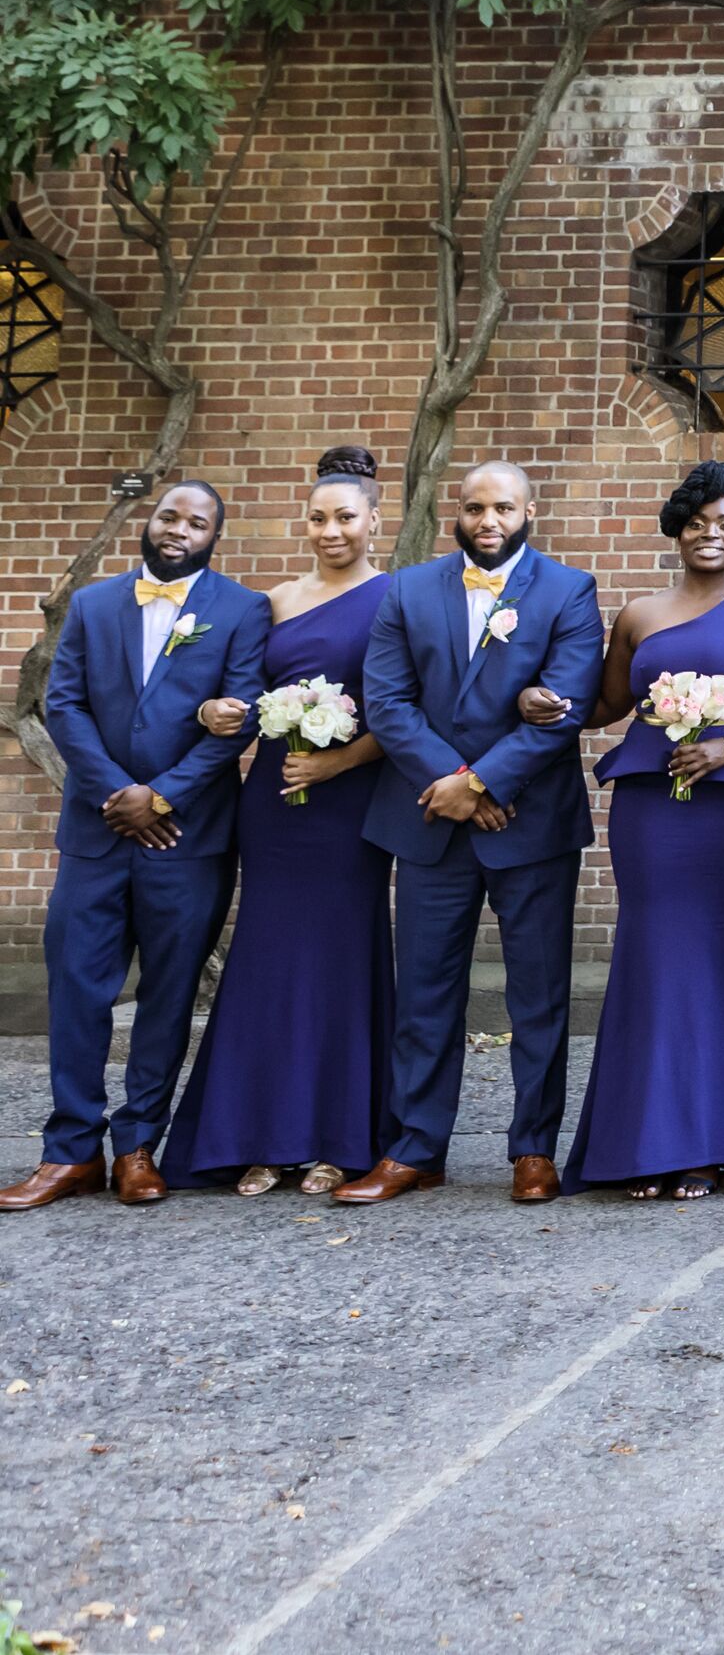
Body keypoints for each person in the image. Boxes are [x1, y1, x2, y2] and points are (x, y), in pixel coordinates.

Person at [333, 463, 602, 1208]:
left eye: (504, 507)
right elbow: (387, 701)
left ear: (529, 510)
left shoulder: (569, 590)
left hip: (531, 824)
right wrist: (453, 785)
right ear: (457, 513)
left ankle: (533, 1150)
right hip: (430, 821)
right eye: (476, 507)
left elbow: (567, 705)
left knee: (539, 996)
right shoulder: (408, 590)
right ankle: (415, 1148)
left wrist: (481, 784)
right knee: (424, 992)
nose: (489, 520)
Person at [0, 481, 271, 1212]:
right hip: (95, 834)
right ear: (150, 524)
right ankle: (69, 1152)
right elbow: (64, 704)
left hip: (187, 839)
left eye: (197, 522)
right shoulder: (92, 605)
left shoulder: (243, 611)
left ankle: (139, 1147)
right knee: (79, 992)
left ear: (216, 535)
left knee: (169, 996)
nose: (179, 529)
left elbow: (241, 721)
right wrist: (117, 793)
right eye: (169, 516)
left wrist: (162, 795)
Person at [562, 462, 724, 1198]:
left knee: (722, 957)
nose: (712, 535)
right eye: (699, 523)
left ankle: (717, 1141)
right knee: (655, 956)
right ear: (678, 531)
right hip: (651, 811)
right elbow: (603, 706)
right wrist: (539, 695)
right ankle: (645, 1140)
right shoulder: (638, 614)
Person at [163, 449, 398, 1196]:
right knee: (265, 961)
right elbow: (225, 692)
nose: (331, 530)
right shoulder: (270, 603)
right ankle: (257, 1136)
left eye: (346, 517)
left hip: (348, 802)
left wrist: (339, 762)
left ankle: (340, 1137)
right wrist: (214, 711)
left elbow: (401, 708)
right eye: (319, 518)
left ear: (374, 520)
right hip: (273, 802)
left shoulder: (398, 600)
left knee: (341, 961)